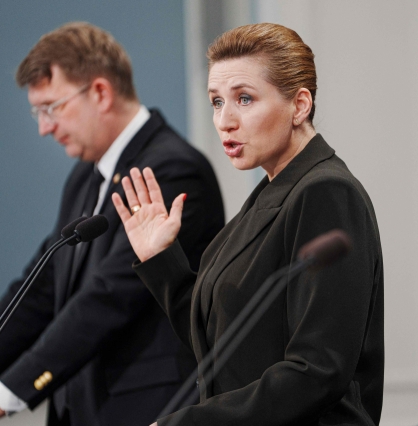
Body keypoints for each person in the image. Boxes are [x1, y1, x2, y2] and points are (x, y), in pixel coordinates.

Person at [112, 23, 384, 426]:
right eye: (217, 102)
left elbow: (318, 371)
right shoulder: (272, 192)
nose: (225, 121)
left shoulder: (326, 192)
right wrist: (161, 260)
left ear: (300, 104)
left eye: (244, 98)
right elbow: (225, 345)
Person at [0, 22, 225, 426]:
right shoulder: (86, 177)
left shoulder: (173, 168)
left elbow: (109, 295)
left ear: (100, 92)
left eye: (52, 108)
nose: (44, 127)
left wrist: (12, 389)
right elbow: (41, 286)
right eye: (38, 112)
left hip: (144, 410)